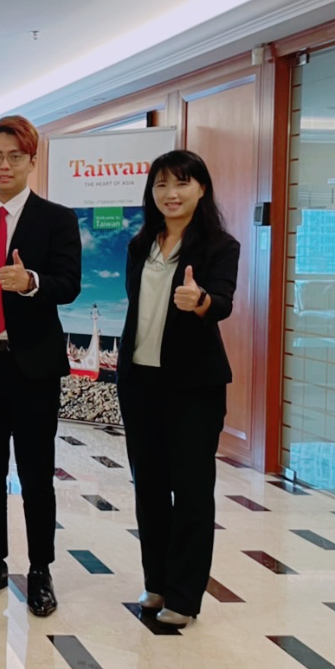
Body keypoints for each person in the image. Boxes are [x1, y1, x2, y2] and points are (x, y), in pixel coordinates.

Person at [0, 115, 81, 618]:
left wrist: (29, 281)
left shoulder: (56, 219)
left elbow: (68, 284)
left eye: (14, 156)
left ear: (31, 160)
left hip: (32, 367)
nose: (4, 165)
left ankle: (41, 569)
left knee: (34, 475)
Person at [118, 150, 239, 627]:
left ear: (201, 189)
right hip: (140, 379)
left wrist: (201, 300)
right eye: (162, 185)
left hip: (193, 385)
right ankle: (157, 583)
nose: (171, 194)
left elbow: (224, 302)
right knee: (148, 486)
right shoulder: (139, 245)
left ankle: (185, 596)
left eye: (182, 184)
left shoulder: (217, 246)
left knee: (190, 490)